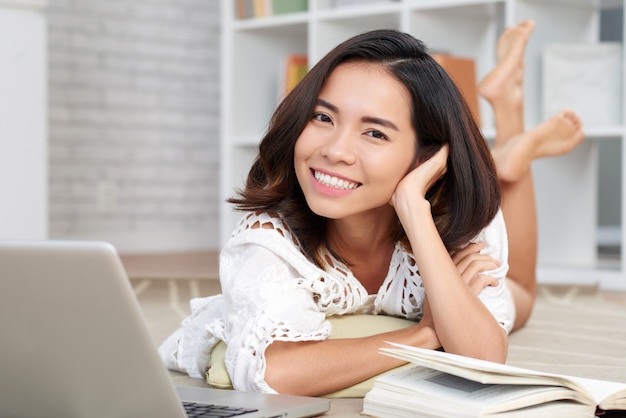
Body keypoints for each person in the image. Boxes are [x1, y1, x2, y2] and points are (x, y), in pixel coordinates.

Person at [159, 24, 584, 396]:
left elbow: (485, 357)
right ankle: (510, 148)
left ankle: (510, 124)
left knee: (521, 295)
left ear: (425, 159)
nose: (335, 151)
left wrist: (415, 214)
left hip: (426, 211)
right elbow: (273, 372)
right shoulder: (270, 238)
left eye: (375, 133)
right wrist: (425, 336)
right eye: (323, 118)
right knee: (515, 296)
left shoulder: (452, 212)